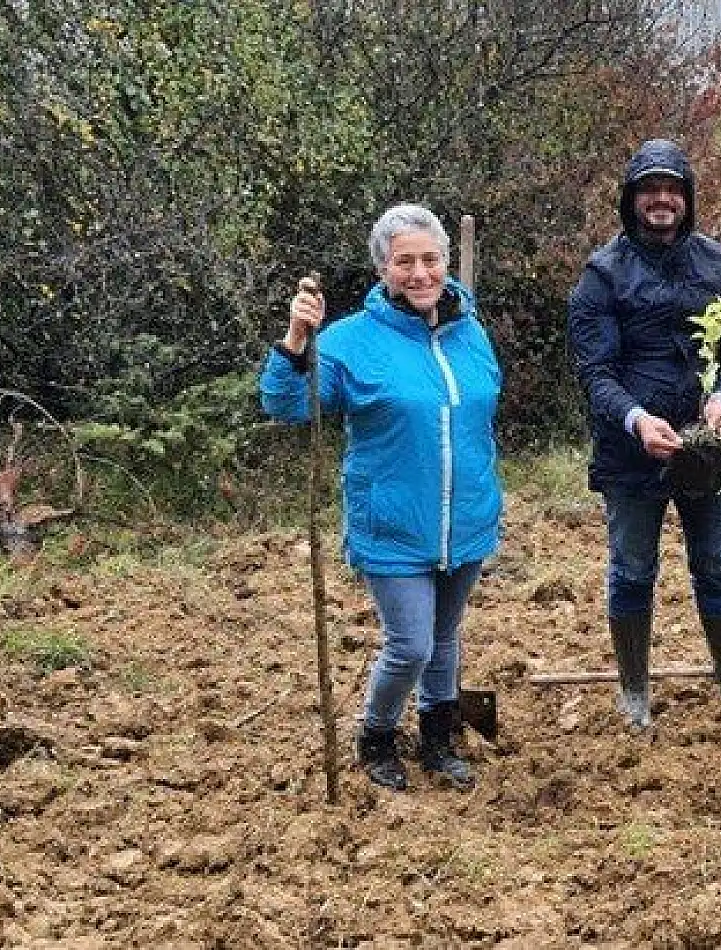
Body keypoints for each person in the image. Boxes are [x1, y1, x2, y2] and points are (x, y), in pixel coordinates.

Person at [260, 203, 502, 792]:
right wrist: (296, 341)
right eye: (404, 262)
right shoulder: (349, 342)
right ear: (382, 269)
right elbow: (287, 403)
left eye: (430, 259)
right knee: (412, 642)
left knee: (445, 638)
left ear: (446, 262)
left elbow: (479, 412)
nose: (419, 273)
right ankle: (377, 735)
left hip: (465, 517)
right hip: (392, 522)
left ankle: (440, 737)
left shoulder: (470, 332)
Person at [567, 138, 721, 729]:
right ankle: (635, 692)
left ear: (687, 198)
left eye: (672, 189)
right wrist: (636, 419)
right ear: (631, 199)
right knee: (633, 568)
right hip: (630, 453)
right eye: (649, 189)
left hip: (705, 452)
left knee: (718, 566)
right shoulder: (602, 275)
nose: (661, 199)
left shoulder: (719, 266)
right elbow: (595, 372)